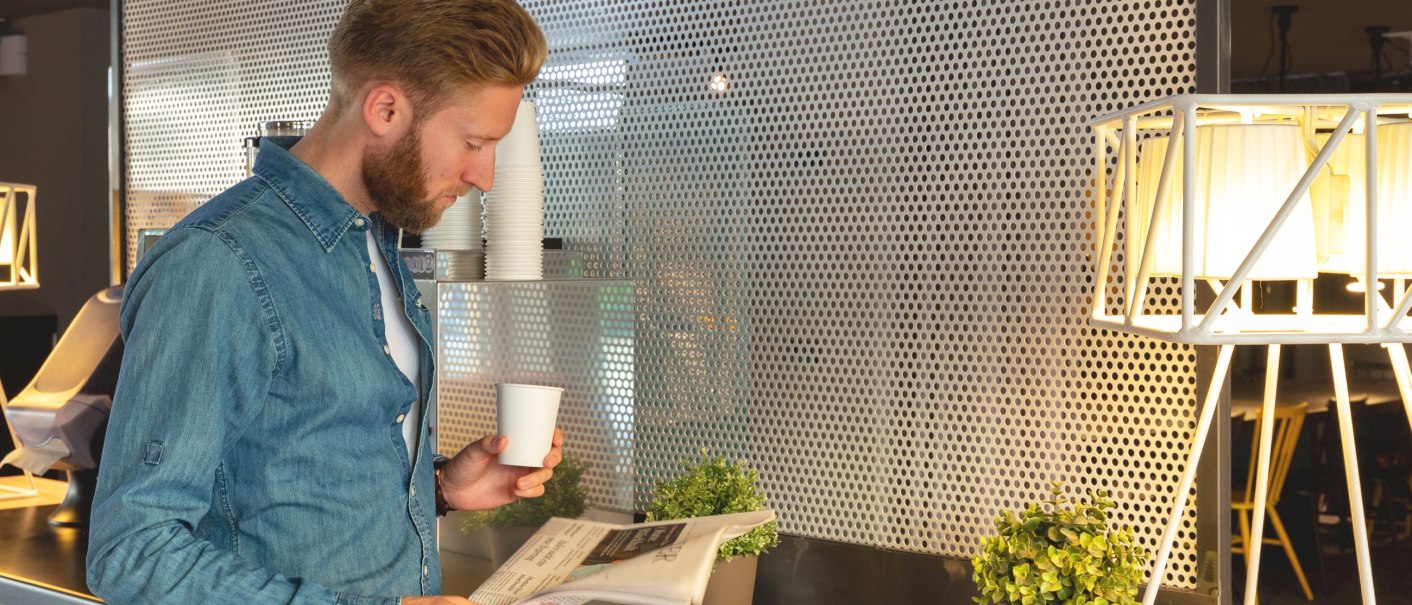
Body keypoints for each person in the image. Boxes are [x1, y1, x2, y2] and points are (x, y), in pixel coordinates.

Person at [87, 1, 555, 603]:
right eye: (473, 142)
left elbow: (296, 469)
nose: (484, 176)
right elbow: (132, 552)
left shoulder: (374, 241)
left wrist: (440, 487)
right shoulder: (218, 263)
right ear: (384, 109)